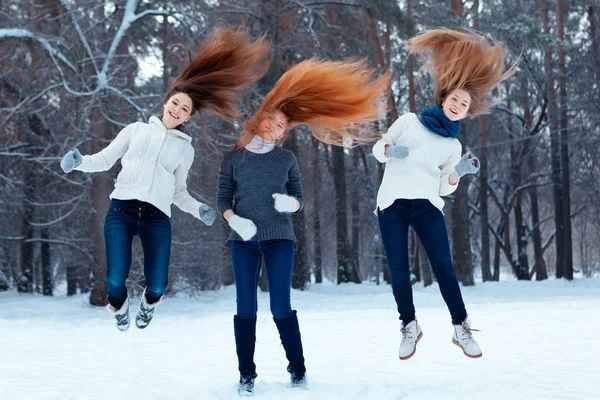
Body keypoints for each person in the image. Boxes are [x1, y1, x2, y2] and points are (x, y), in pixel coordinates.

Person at [60, 27, 272, 332]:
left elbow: (179, 191)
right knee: (115, 278)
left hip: (156, 217)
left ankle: (148, 305)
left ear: (187, 118)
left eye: (184, 109)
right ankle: (119, 307)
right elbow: (105, 159)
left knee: (158, 281)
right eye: (175, 103)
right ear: (166, 102)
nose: (177, 109)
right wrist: (79, 162)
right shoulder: (136, 130)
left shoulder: (185, 149)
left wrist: (199, 209)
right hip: (121, 210)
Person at [216, 58, 390, 395]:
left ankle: (298, 370)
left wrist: (290, 204)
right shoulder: (234, 158)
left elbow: (300, 198)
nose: (280, 131)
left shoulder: (287, 159)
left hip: (280, 238)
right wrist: (234, 220)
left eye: (285, 128)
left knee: (280, 305)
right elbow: (222, 199)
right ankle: (246, 376)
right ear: (263, 118)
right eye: (277, 123)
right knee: (245, 307)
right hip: (243, 241)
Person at [372, 28, 519, 359]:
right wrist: (389, 152)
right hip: (392, 206)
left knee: (443, 268)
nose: (457, 105)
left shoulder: (453, 145)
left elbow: (443, 187)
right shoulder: (409, 122)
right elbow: (378, 149)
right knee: (397, 270)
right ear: (444, 98)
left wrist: (458, 172)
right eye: (454, 99)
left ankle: (461, 328)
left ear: (467, 113)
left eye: (464, 104)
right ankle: (409, 326)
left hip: (426, 207)